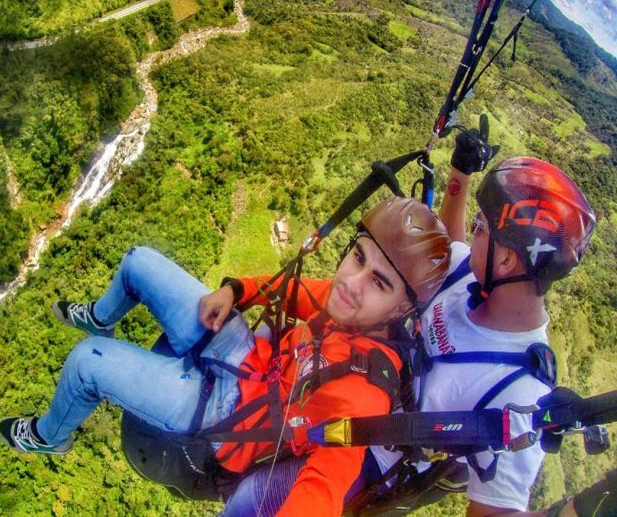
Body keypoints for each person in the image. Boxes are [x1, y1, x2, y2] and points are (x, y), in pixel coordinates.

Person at [0, 196, 452, 517]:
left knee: (85, 363)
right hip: (244, 352)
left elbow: (324, 488)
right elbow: (288, 294)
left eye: (379, 283)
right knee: (138, 261)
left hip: (228, 416)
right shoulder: (345, 308)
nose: (352, 283)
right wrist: (237, 290)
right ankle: (100, 316)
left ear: (403, 309)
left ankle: (51, 435)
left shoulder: (363, 390)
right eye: (357, 258)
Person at [218, 133, 598, 517]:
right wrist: (459, 175)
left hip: (372, 447)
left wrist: (574, 512)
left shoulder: (518, 388)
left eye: (481, 227)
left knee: (255, 498)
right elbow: (444, 250)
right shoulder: (470, 275)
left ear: (505, 264)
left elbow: (497, 512)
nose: (473, 230)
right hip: (353, 367)